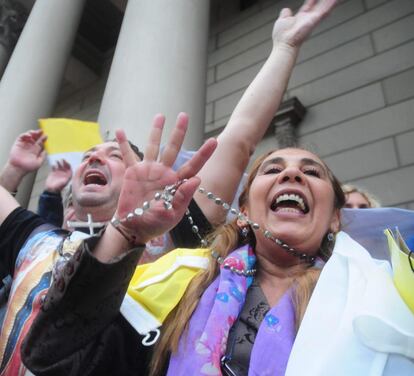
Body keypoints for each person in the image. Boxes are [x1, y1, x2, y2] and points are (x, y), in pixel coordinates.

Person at [22, 1, 412, 375]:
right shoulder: (180, 286)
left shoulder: (384, 294)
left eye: (311, 172)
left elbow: (242, 137)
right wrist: (127, 231)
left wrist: (287, 47)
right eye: (272, 168)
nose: (291, 176)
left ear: (336, 219)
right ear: (242, 207)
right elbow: (53, 355)